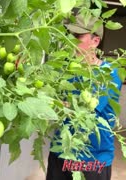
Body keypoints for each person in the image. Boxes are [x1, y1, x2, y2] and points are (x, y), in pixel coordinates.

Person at [46, 14, 123, 180]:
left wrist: (52, 103)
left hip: (92, 159)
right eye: (69, 35)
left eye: (77, 36)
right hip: (60, 152)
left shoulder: (109, 74)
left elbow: (86, 108)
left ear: (95, 41)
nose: (70, 41)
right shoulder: (64, 70)